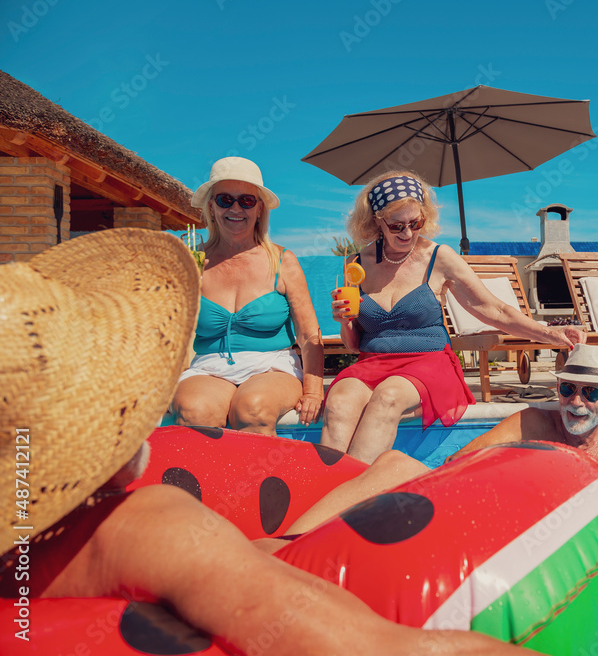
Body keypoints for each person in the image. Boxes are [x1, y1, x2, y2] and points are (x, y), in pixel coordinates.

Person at [0, 229, 517, 655]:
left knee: (376, 456)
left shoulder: (32, 549)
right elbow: (370, 646)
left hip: (382, 373)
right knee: (397, 467)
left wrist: (314, 379)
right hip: (294, 533)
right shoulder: (136, 533)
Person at [322, 171, 586, 463]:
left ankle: (352, 500)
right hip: (371, 363)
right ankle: (329, 492)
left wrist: (549, 333)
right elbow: (353, 345)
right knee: (339, 402)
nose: (408, 233)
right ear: (376, 221)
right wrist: (345, 320)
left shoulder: (439, 257)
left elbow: (493, 309)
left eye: (416, 223)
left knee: (387, 398)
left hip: (427, 363)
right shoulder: (357, 264)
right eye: (397, 225)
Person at [171, 157, 324, 436]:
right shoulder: (193, 262)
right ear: (211, 207)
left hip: (272, 366)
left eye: (247, 201)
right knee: (195, 410)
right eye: (225, 199)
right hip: (209, 367)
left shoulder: (282, 261)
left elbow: (309, 334)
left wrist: (313, 391)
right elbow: (167, 331)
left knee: (252, 408)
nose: (236, 208)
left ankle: (258, 481)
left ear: (259, 208)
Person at [448, 344, 598, 490]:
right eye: (568, 389)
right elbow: (457, 460)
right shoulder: (531, 424)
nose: (577, 401)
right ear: (557, 389)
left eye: (591, 392)